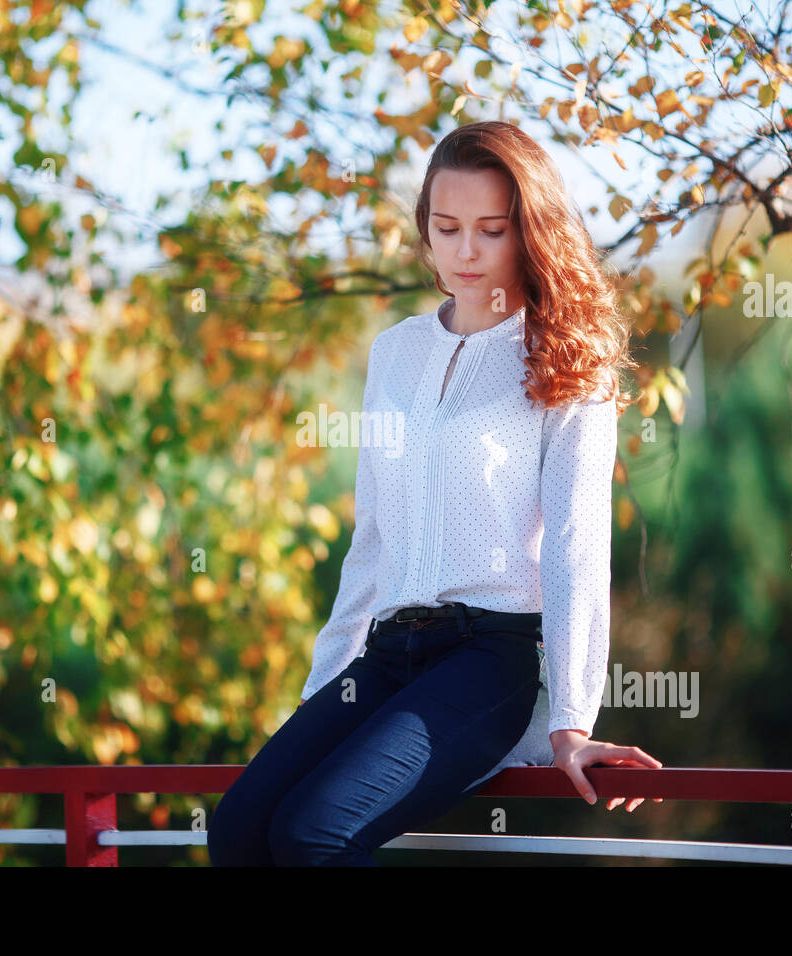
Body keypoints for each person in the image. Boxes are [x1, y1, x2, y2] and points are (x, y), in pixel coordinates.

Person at [208, 120, 661, 867]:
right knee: (237, 832)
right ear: (425, 229)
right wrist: (325, 695)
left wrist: (573, 721)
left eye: (492, 229)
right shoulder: (395, 352)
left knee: (313, 834)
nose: (467, 251)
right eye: (447, 228)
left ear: (530, 232)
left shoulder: (568, 360)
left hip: (488, 658)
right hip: (387, 657)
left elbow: (578, 547)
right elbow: (373, 539)